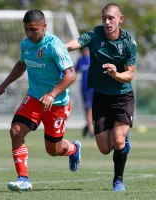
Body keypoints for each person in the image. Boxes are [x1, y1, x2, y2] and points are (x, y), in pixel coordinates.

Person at [0, 9, 81, 192]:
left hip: (57, 104)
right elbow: (21, 65)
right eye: (26, 29)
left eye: (33, 29)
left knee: (53, 150)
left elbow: (70, 75)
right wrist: (5, 83)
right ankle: (23, 179)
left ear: (44, 27)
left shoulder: (54, 46)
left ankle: (73, 149)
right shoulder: (26, 44)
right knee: (16, 131)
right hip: (34, 98)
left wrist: (52, 94)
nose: (29, 33)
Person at [65, 3, 136, 192]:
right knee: (105, 149)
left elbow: (130, 75)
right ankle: (118, 141)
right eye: (104, 18)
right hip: (101, 97)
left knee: (119, 140)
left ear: (120, 19)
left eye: (111, 18)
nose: (107, 22)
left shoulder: (129, 42)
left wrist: (115, 74)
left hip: (122, 96)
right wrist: (57, 47)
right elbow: (75, 44)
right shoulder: (95, 35)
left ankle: (118, 180)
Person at [75, 47, 94, 137]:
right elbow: (73, 72)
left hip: (93, 88)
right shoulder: (80, 60)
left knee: (92, 109)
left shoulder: (93, 59)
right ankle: (89, 127)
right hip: (85, 89)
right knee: (87, 109)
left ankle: (90, 128)